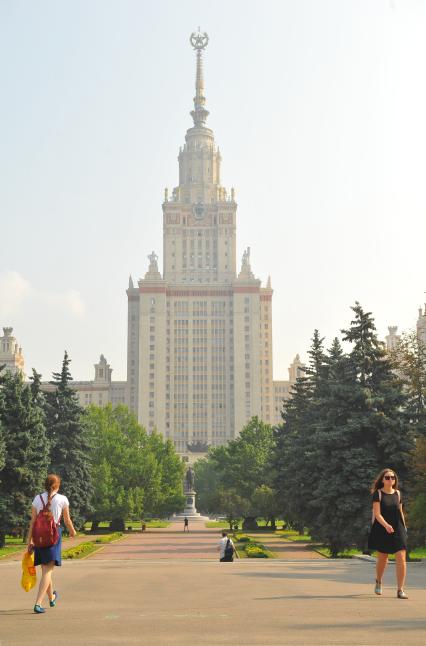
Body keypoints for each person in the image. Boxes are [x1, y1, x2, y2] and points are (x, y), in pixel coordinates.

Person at [27, 474, 76, 614]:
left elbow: (33, 522)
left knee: (45, 570)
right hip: (54, 536)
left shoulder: (37, 498)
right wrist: (72, 531)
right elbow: (67, 520)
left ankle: (52, 597)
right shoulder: (62, 499)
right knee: (48, 570)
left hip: (39, 537)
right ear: (57, 485)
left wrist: (29, 541)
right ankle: (38, 603)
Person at [368, 468, 408, 599]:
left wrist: (404, 527)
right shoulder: (378, 494)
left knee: (401, 557)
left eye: (393, 477)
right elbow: (377, 514)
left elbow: (400, 511)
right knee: (383, 558)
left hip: (398, 527)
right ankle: (378, 581)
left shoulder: (398, 494)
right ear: (382, 480)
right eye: (387, 477)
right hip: (382, 527)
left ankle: (400, 589)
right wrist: (386, 525)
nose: (390, 479)